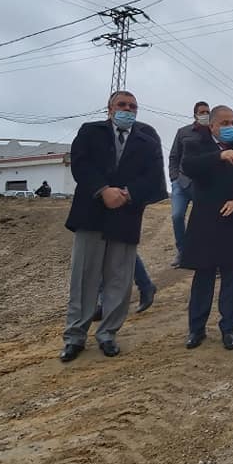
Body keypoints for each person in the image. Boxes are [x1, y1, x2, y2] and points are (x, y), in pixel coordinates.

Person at [59, 91, 168, 362]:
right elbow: (81, 165)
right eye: (122, 105)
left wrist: (128, 194)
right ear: (109, 109)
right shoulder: (90, 132)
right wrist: (103, 190)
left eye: (132, 106)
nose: (127, 110)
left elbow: (155, 180)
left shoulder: (147, 141)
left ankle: (108, 334)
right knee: (84, 278)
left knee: (119, 280)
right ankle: (75, 336)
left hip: (126, 216)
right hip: (91, 214)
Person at [180, 106, 233, 350]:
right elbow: (189, 167)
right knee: (203, 277)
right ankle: (196, 329)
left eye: (232, 122)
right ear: (212, 126)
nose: (230, 127)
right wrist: (218, 156)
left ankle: (228, 328)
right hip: (205, 222)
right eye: (224, 123)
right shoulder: (196, 145)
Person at [168, 102, 211, 267]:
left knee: (204, 220)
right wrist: (174, 178)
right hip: (181, 182)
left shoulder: (213, 132)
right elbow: (174, 156)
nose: (205, 115)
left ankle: (203, 253)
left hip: (202, 184)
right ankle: (182, 252)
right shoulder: (183, 132)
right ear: (195, 114)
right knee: (177, 216)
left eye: (207, 112)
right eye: (202, 112)